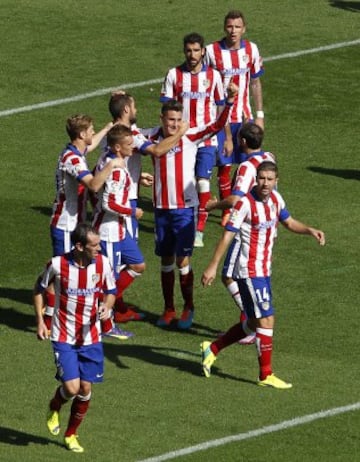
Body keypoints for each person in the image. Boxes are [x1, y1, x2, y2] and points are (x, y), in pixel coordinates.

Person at [200, 162, 325, 389]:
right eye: (261, 179)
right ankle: (265, 375)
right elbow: (227, 236)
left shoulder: (277, 199)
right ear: (255, 179)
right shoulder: (245, 204)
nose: (265, 183)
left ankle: (213, 348)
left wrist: (309, 230)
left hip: (264, 269)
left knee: (253, 322)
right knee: (267, 318)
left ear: (276, 180)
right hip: (249, 270)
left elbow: (288, 221)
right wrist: (213, 265)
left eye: (269, 179)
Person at [146, 81, 238, 330]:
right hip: (161, 208)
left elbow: (217, 125)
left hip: (185, 208)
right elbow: (125, 135)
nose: (174, 124)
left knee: (182, 260)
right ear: (162, 118)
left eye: (177, 120)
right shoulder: (152, 136)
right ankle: (168, 308)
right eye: (170, 119)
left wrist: (229, 102)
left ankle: (188, 306)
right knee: (165, 259)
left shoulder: (190, 135)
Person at [95, 92, 189, 322]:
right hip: (122, 205)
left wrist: (137, 178)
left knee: (125, 260)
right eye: (133, 106)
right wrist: (182, 131)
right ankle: (105, 306)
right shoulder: (129, 137)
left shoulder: (114, 134)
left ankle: (117, 306)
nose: (136, 110)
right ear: (126, 110)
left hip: (121, 196)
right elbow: (157, 150)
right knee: (126, 262)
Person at [44, 114, 130, 340]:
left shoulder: (75, 152)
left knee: (65, 273)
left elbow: (88, 150)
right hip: (64, 224)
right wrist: (112, 164)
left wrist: (109, 126)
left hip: (74, 223)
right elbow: (93, 183)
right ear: (81, 135)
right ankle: (46, 322)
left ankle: (53, 317)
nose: (93, 133)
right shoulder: (72, 160)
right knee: (60, 273)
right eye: (91, 130)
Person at [34, 223, 117, 453]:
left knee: (86, 389)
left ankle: (71, 434)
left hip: (91, 337)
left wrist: (107, 307)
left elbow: (111, 292)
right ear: (79, 246)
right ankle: (54, 406)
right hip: (63, 335)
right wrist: (41, 321)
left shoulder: (103, 263)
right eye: (95, 245)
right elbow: (39, 289)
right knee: (71, 388)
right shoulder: (58, 265)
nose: (100, 248)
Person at [206, 122, 275, 345]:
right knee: (231, 274)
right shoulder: (269, 158)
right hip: (265, 222)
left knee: (229, 275)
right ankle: (252, 319)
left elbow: (236, 199)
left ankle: (252, 321)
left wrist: (214, 206)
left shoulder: (247, 168)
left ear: (242, 142)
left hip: (247, 227)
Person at [160, 32, 225, 248]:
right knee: (185, 184)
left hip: (207, 137)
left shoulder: (214, 76)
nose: (192, 54)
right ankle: (181, 221)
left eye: (196, 50)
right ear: (184, 51)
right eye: (188, 50)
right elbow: (167, 107)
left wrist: (227, 137)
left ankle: (199, 231)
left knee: (203, 182)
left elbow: (221, 107)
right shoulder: (173, 75)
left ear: (203, 51)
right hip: (183, 139)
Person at [205, 10, 265, 226]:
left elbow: (255, 82)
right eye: (230, 26)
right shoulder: (211, 51)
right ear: (224, 28)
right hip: (221, 117)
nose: (233, 31)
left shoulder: (251, 49)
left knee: (248, 165)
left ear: (244, 29)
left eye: (237, 27)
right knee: (224, 164)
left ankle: (246, 206)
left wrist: (259, 115)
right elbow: (205, 81)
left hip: (245, 117)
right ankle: (227, 210)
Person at [92, 125, 147, 325]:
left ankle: (110, 303)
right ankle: (106, 324)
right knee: (108, 281)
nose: (133, 147)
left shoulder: (109, 159)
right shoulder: (114, 169)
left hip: (119, 230)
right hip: (109, 232)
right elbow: (109, 203)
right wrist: (132, 212)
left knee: (138, 264)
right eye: (129, 144)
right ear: (117, 147)